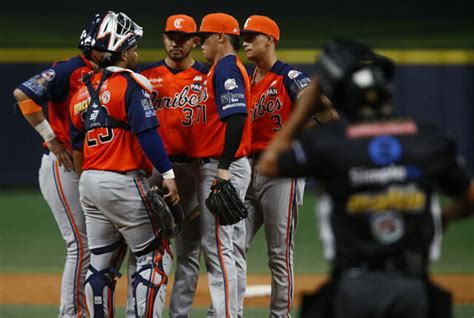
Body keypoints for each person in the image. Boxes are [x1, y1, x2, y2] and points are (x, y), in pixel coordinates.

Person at [258, 39, 474, 318]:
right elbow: (469, 199)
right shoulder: (427, 140)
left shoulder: (331, 144)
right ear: (389, 94)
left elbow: (269, 163)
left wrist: (304, 106)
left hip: (352, 291)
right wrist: (443, 218)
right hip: (413, 290)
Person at [68, 11, 180, 317]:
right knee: (155, 253)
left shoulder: (80, 92)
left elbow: (77, 145)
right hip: (122, 178)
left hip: (89, 181)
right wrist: (168, 174)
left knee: (100, 263)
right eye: (131, 46)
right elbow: (147, 133)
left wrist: (88, 184)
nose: (136, 52)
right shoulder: (130, 85)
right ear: (120, 51)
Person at [11, 12, 111, 318]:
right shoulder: (71, 68)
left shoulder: (108, 72)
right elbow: (24, 95)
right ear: (94, 46)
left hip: (88, 166)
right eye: (107, 43)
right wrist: (52, 139)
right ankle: (71, 314)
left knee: (95, 245)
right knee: (80, 245)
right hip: (62, 164)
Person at [240, 15, 311, 317]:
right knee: (231, 246)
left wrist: (292, 135)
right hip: (247, 170)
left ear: (270, 40)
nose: (245, 42)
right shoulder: (244, 78)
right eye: (243, 36)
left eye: (252, 36)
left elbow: (326, 112)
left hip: (281, 171)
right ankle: (229, 311)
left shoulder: (289, 76)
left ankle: (279, 316)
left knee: (279, 254)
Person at [139, 14, 207, 318]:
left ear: (195, 41)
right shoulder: (144, 76)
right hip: (154, 171)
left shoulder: (208, 76)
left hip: (194, 170)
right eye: (170, 36)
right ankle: (143, 311)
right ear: (164, 38)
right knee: (145, 246)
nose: (175, 42)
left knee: (190, 251)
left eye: (182, 38)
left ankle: (179, 315)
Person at [193, 12, 252, 318]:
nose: (199, 43)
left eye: (204, 37)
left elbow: (237, 115)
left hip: (222, 165)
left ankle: (226, 314)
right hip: (227, 163)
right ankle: (231, 311)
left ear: (221, 37)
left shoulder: (226, 67)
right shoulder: (222, 68)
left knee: (218, 247)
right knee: (229, 245)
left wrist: (223, 168)